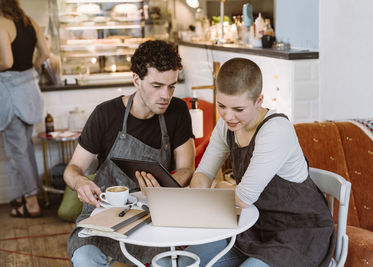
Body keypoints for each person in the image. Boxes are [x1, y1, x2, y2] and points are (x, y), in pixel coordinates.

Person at [182, 58, 335, 267]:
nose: (228, 116)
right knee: (184, 261)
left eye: (238, 109)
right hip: (251, 227)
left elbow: (243, 198)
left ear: (259, 100)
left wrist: (220, 188)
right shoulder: (225, 126)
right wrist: (202, 190)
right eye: (222, 106)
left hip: (296, 233)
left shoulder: (275, 130)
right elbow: (203, 174)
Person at [64, 40, 195, 266]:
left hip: (153, 215)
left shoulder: (178, 111)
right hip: (104, 214)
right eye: (157, 86)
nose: (166, 95)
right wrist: (80, 182)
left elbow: (187, 169)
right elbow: (72, 169)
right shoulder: (106, 114)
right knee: (85, 259)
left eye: (171, 86)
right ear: (136, 80)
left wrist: (163, 189)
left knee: (173, 263)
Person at [0, 0, 49, 217]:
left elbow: (7, 61)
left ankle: (31, 203)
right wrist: (31, 69)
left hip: (11, 94)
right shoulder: (29, 22)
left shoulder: (1, 23)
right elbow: (45, 53)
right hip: (30, 91)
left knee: (17, 151)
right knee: (26, 148)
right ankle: (29, 194)